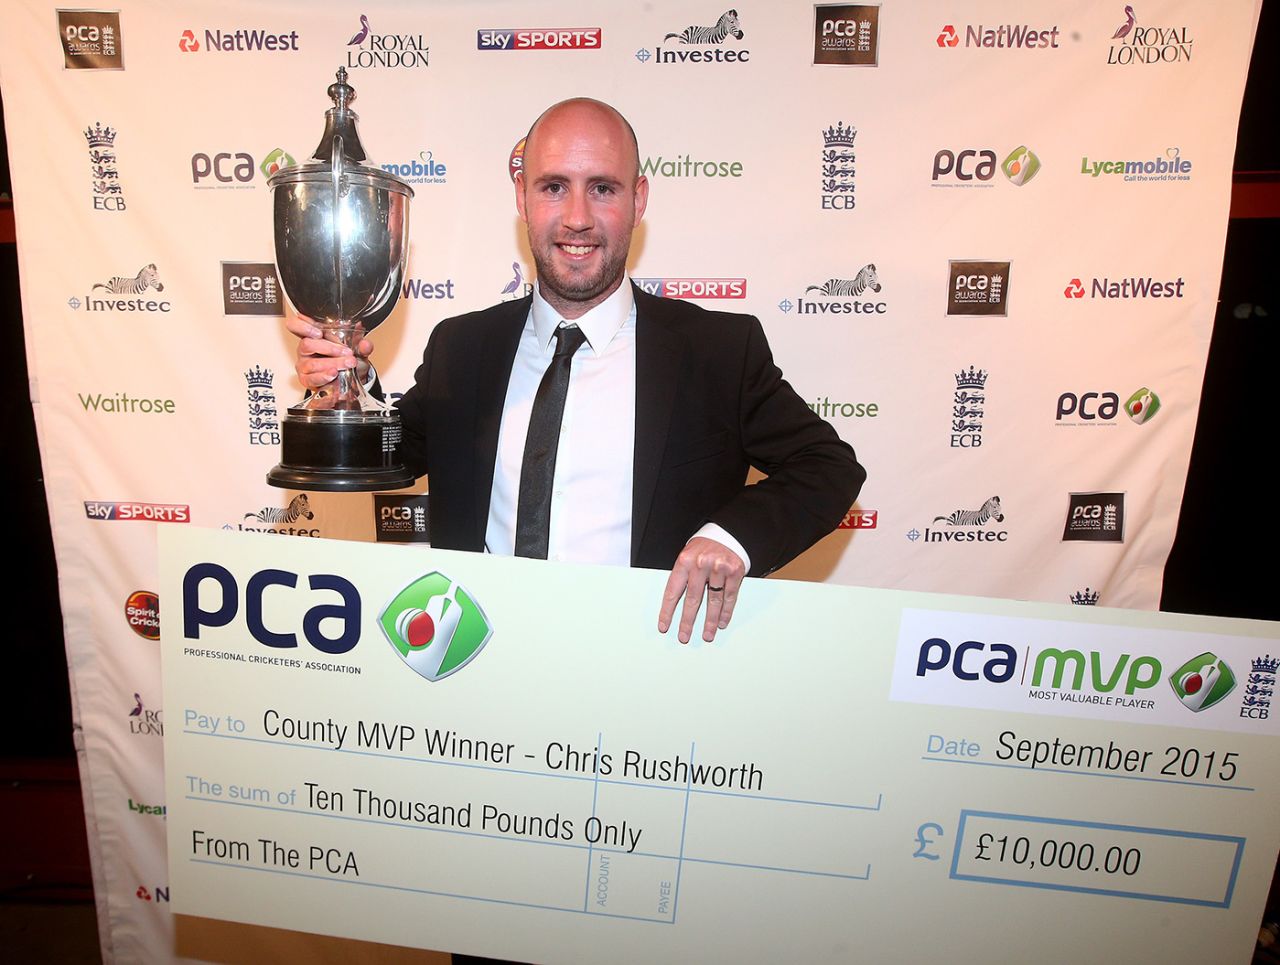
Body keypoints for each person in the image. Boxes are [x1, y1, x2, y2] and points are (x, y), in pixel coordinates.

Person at [289, 98, 865, 646]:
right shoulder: (462, 347)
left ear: (639, 200)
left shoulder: (716, 351)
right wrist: (343, 390)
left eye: (603, 189)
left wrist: (727, 538)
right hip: (473, 665)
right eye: (554, 187)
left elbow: (828, 468)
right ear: (522, 196)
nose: (577, 218)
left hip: (646, 676)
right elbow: (390, 455)